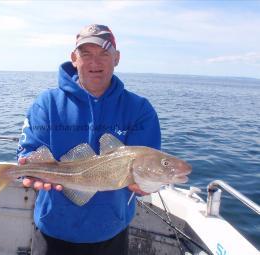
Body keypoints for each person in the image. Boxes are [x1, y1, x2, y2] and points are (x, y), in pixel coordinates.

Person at [17, 24, 161, 255]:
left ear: (117, 58)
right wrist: (27, 164)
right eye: (86, 54)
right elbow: (30, 148)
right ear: (74, 58)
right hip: (53, 229)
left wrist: (146, 183)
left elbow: (148, 162)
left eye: (104, 53)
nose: (96, 62)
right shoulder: (47, 103)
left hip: (110, 231)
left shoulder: (139, 109)